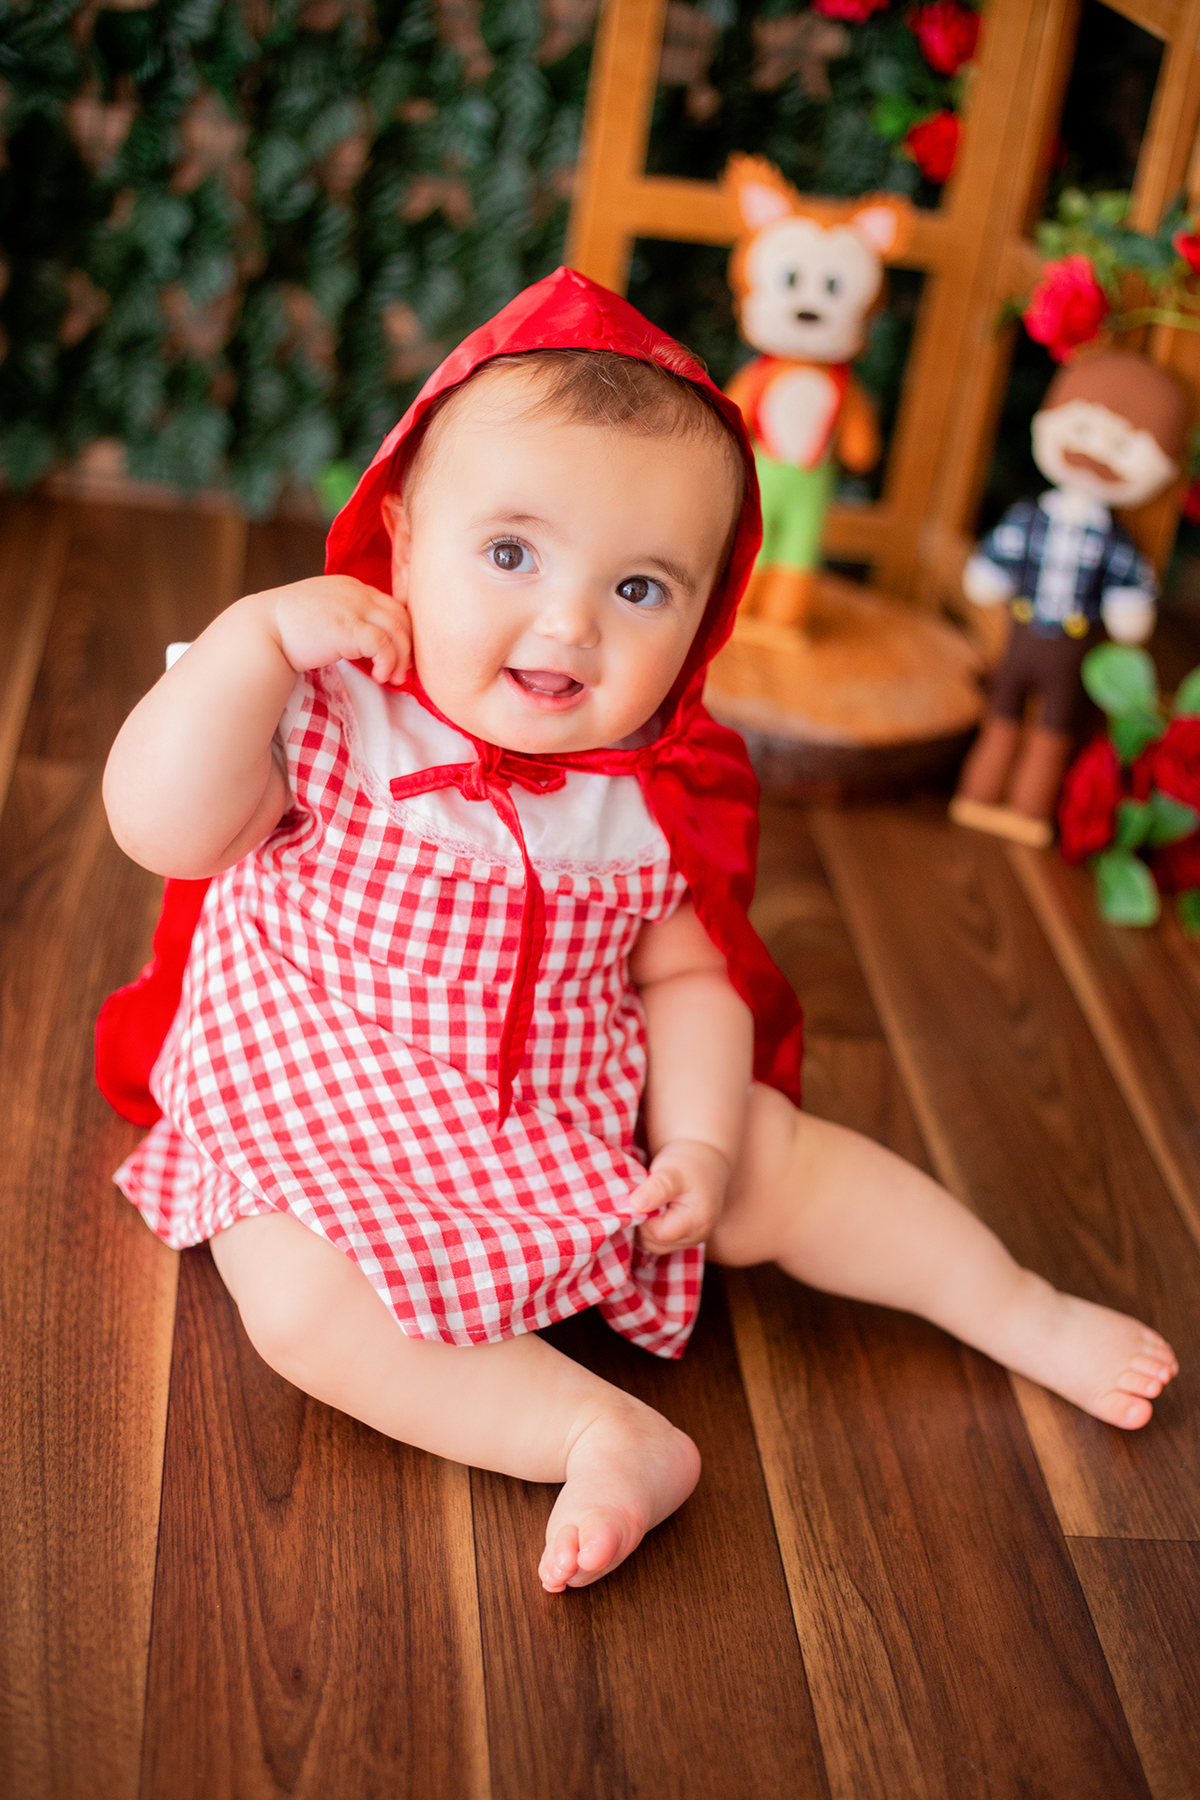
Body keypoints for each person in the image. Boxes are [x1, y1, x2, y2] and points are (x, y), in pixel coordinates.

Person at [99, 271, 1177, 1595]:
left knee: (791, 1163)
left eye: (643, 588)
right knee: (302, 1308)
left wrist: (704, 1142)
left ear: (708, 611)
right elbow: (165, 827)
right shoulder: (329, 712)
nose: (569, 623)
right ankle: (594, 1433)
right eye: (510, 555)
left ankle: (1017, 1305)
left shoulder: (649, 799)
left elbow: (690, 983)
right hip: (329, 1132)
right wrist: (245, 643)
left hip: (568, 1122)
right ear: (400, 529)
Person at [951, 350, 1187, 848]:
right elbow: (997, 560)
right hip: (1020, 635)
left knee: (1051, 734)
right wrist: (988, 573)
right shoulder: (1031, 518)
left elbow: (1128, 595)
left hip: (1069, 648)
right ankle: (978, 793)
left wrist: (1128, 608)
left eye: (1122, 444)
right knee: (1001, 718)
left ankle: (1028, 808)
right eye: (1083, 431)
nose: (1095, 452)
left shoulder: (1113, 542)